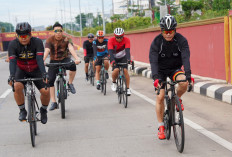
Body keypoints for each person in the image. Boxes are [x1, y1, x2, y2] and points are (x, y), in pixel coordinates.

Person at [149, 14, 194, 140]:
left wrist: (189, 75)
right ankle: (161, 126)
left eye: (171, 31)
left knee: (183, 83)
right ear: (161, 31)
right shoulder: (157, 42)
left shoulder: (181, 40)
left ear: (175, 30)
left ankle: (177, 98)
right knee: (160, 96)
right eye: (166, 31)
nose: (168, 34)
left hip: (175, 69)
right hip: (161, 71)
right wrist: (156, 78)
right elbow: (153, 61)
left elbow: (185, 57)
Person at [8, 22, 50, 124]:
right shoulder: (13, 44)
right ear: (17, 36)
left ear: (30, 35)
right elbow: (12, 61)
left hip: (36, 69)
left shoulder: (37, 42)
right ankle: (22, 110)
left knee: (46, 91)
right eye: (20, 36)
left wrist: (44, 73)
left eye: (25, 35)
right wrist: (12, 76)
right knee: (17, 86)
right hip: (21, 69)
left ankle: (43, 110)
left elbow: (40, 59)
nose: (23, 38)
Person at [43, 22, 81, 111]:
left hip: (65, 59)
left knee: (73, 66)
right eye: (56, 31)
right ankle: (54, 102)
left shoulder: (66, 39)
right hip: (53, 61)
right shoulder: (49, 40)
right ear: (53, 31)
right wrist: (43, 60)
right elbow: (47, 50)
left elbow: (71, 48)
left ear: (62, 31)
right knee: (50, 80)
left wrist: (76, 58)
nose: (58, 33)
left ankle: (70, 83)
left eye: (60, 31)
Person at [108, 27, 132, 96]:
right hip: (114, 57)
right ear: (114, 36)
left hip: (123, 57)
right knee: (116, 70)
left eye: (121, 37)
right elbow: (110, 52)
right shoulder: (111, 40)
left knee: (125, 71)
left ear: (123, 35)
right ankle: (114, 82)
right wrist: (112, 61)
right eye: (117, 37)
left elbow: (127, 51)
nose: (119, 39)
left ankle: (127, 89)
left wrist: (128, 59)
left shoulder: (126, 40)